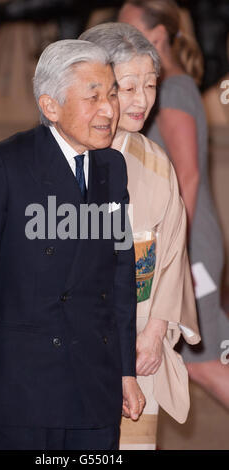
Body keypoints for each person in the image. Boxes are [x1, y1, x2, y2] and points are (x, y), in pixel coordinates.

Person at [0, 39, 145, 450]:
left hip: (96, 384)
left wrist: (125, 371)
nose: (109, 110)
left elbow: (120, 274)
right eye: (93, 97)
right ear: (50, 107)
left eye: (111, 95)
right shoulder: (5, 165)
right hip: (24, 386)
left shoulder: (112, 167)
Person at [80, 22, 200, 450]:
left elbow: (171, 255)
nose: (142, 100)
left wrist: (154, 334)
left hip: (138, 339)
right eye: (127, 87)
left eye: (149, 86)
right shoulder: (63, 156)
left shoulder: (156, 163)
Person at [119, 0, 229, 409]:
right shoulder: (165, 86)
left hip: (191, 247)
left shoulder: (173, 89)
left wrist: (172, 253)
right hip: (185, 244)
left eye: (128, 28)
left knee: (203, 360)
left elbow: (189, 176)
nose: (121, 37)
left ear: (158, 36)